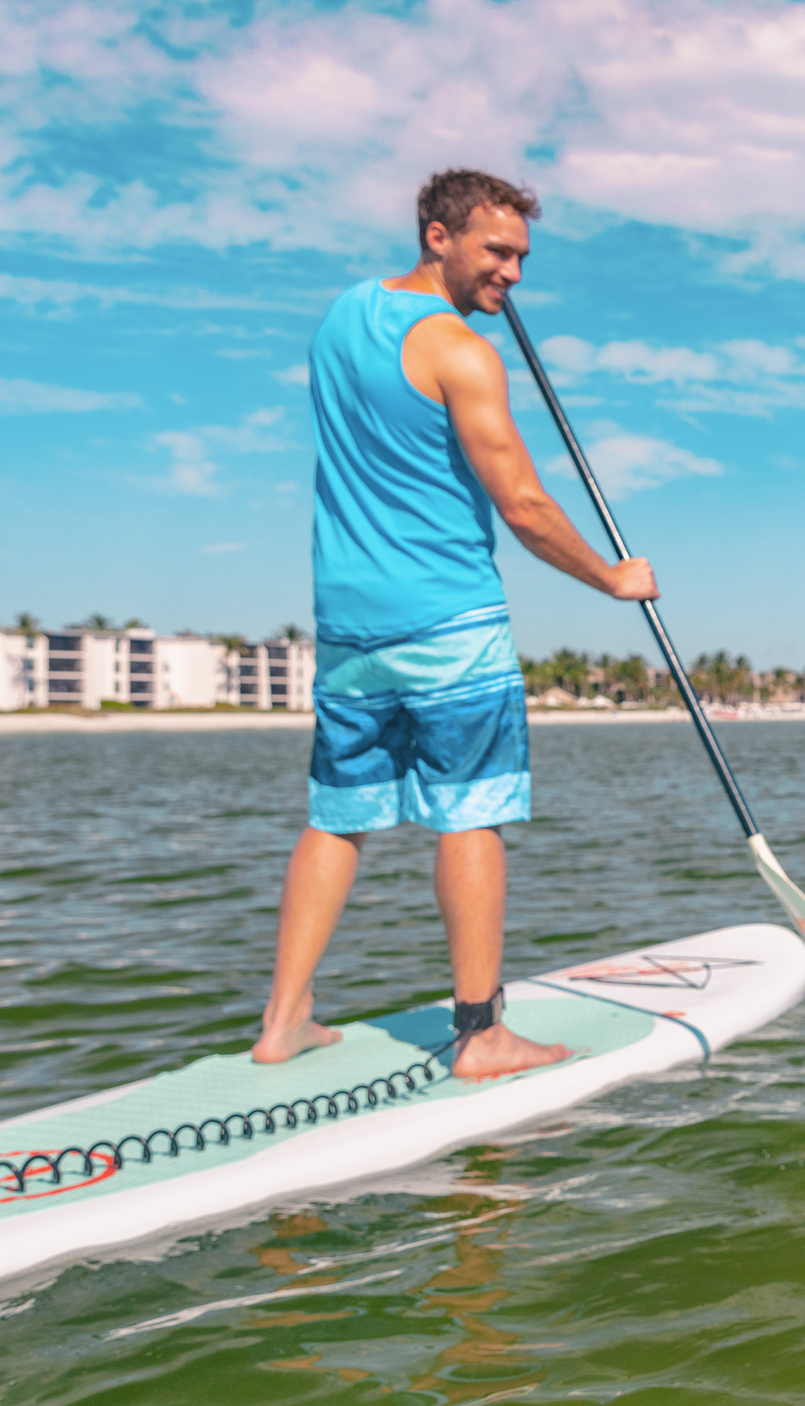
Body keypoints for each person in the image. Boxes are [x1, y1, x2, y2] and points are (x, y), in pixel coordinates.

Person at [250, 169, 659, 1080]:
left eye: (520, 257)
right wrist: (610, 578)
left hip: (351, 626)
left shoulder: (343, 314)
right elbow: (519, 500)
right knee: (471, 817)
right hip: (448, 619)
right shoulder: (463, 354)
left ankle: (285, 1020)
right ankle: (482, 1033)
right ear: (438, 236)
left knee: (336, 820)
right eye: (496, 251)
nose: (512, 273)